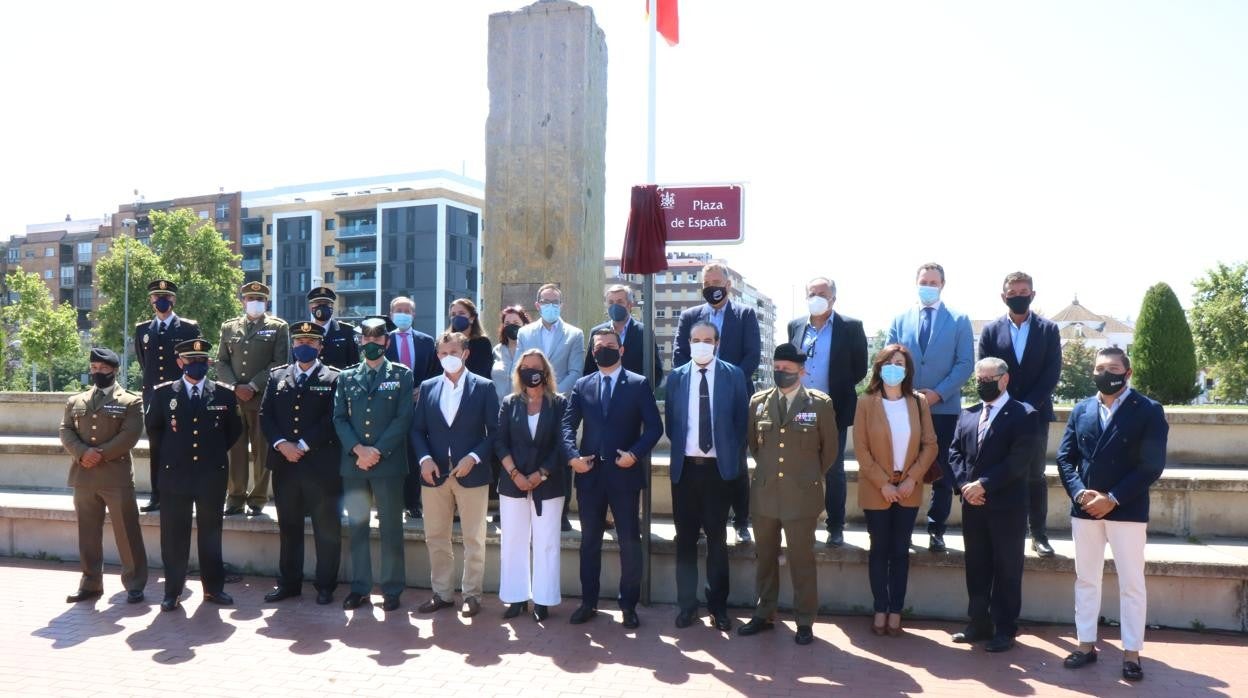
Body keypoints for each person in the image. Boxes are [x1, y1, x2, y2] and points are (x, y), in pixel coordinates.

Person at [1057, 347, 1168, 682]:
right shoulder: (1082, 409)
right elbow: (1065, 458)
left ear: (1128, 372)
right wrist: (1080, 492)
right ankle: (1085, 644)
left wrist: (1114, 498)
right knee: (1086, 578)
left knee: (1132, 582)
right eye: (1099, 368)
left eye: (1114, 368)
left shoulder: (1148, 410)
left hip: (1127, 509)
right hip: (1085, 508)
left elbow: (1151, 465)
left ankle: (1132, 653)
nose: (1106, 373)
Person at [561, 328, 662, 629]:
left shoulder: (638, 384)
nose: (603, 349)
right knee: (589, 542)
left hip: (624, 474)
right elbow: (567, 426)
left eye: (609, 345)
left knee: (629, 542)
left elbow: (654, 428)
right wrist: (572, 457)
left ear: (621, 349)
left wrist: (635, 453)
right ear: (592, 352)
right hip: (590, 475)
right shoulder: (582, 385)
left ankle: (628, 605)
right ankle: (588, 602)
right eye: (598, 346)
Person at [738, 343, 838, 646]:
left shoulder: (819, 404)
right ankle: (764, 612)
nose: (781, 374)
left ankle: (805, 620)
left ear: (802, 371)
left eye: (788, 369)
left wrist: (804, 476)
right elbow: (755, 447)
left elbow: (829, 451)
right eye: (777, 368)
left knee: (801, 561)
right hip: (766, 495)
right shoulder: (758, 402)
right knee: (765, 559)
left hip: (802, 496)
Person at [145, 339, 242, 611]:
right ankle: (172, 592)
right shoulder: (165, 394)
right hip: (175, 475)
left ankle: (213, 589)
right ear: (180, 363)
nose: (197, 366)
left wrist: (213, 451)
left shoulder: (223, 394)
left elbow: (234, 430)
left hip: (211, 474)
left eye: (201, 361)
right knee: (174, 536)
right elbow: (154, 429)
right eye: (190, 361)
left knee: (211, 534)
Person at [948, 357, 1038, 652]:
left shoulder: (1024, 414)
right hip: (973, 505)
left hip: (1007, 505)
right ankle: (978, 623)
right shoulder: (968, 414)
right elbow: (954, 454)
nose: (983, 385)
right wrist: (964, 486)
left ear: (1004, 379)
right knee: (977, 566)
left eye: (989, 380)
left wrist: (983, 484)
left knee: (1007, 568)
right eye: (979, 380)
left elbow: (1018, 461)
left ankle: (1004, 628)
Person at [664, 322, 748, 632]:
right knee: (685, 541)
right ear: (688, 342)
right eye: (696, 340)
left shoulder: (733, 375)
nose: (702, 344)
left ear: (717, 343)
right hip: (685, 469)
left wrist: (724, 453)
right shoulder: (676, 377)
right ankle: (687, 606)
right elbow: (673, 423)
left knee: (717, 541)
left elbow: (741, 423)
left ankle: (718, 607)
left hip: (718, 471)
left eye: (708, 340)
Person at [410, 331, 499, 618]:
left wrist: (474, 457)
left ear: (465, 353)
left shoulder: (483, 387)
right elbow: (417, 429)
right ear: (438, 356)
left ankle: (472, 595)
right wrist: (424, 459)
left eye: (453, 351)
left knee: (474, 538)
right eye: (443, 353)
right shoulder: (428, 386)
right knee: (436, 536)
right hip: (434, 474)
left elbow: (495, 433)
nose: (448, 357)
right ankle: (443, 593)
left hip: (471, 474)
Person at [887, 263, 974, 552]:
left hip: (944, 408)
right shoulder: (900, 319)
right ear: (916, 282)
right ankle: (903, 528)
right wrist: (905, 391)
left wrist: (938, 393)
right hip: (905, 406)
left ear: (943, 285)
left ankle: (937, 528)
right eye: (924, 281)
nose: (928, 285)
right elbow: (889, 358)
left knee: (943, 472)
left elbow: (965, 364)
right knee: (904, 466)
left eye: (933, 282)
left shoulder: (959, 320)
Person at [673, 262, 761, 543]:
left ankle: (741, 520)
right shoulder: (690, 316)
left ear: (728, 285)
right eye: (706, 283)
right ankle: (697, 521)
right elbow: (678, 354)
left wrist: (727, 383)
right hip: (696, 394)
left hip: (733, 399)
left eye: (717, 281)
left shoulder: (745, 314)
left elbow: (752, 356)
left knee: (735, 460)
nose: (712, 287)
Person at [854, 344, 937, 636]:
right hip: (877, 488)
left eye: (899, 362)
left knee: (900, 551)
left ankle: (896, 609)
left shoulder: (918, 402)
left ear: (907, 369)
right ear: (879, 366)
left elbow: (930, 444)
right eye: (889, 361)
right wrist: (883, 483)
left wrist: (912, 478)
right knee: (880, 550)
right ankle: (880, 607)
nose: (894, 367)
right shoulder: (866, 402)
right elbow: (861, 449)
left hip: (908, 488)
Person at [259, 322, 343, 606]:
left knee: (326, 527)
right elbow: (265, 415)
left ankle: (325, 585)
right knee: (289, 527)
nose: (303, 345)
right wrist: (282, 444)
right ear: (293, 345)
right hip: (285, 464)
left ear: (320, 346)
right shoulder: (277, 375)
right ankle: (289, 583)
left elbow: (333, 418)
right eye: (299, 341)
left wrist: (303, 445)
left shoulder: (333, 377)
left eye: (311, 341)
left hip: (320, 465)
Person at [977, 271, 1061, 558]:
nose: (1018, 297)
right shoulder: (990, 331)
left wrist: (1025, 408)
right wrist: (1007, 406)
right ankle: (1000, 530)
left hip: (1035, 415)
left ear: (1033, 294)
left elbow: (1052, 373)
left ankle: (1038, 534)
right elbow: (985, 371)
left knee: (1035, 475)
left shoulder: (1049, 330)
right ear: (1004, 297)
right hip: (999, 415)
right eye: (1012, 293)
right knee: (999, 472)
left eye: (1024, 291)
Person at [333, 316, 414, 611]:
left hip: (388, 465)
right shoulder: (346, 376)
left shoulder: (402, 375)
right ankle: (360, 588)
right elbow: (339, 418)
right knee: (358, 527)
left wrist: (376, 451)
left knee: (391, 528)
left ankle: (392, 589)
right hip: (354, 466)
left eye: (376, 341)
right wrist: (358, 450)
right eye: (365, 340)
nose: (370, 345)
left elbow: (403, 418)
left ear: (386, 343)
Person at [59, 347, 147, 604]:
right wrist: (82, 452)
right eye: (94, 368)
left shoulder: (131, 400)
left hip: (115, 477)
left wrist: (100, 454)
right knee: (87, 534)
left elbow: (130, 435)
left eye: (104, 369)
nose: (98, 373)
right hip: (83, 475)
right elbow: (65, 430)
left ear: (115, 370)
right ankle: (90, 583)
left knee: (127, 532)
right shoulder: (76, 400)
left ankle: (134, 583)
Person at [786, 277, 867, 548]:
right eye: (812, 292)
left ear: (833, 298)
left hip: (834, 410)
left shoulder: (851, 327)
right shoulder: (796, 326)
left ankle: (835, 526)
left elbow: (860, 369)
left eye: (822, 293)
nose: (816, 297)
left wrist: (836, 387)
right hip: (801, 409)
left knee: (833, 469)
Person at [494, 349, 567, 622]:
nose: (530, 372)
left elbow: (562, 443)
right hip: (513, 483)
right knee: (513, 540)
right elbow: (499, 442)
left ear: (545, 372)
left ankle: (544, 600)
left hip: (548, 484)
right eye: (525, 367)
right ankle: (515, 598)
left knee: (547, 542)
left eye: (535, 367)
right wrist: (515, 473)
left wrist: (541, 474)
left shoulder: (559, 403)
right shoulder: (509, 402)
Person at [517, 283, 586, 532]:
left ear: (562, 305)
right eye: (546, 302)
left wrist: (552, 395)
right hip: (530, 403)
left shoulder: (574, 334)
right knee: (533, 450)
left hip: (560, 404)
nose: (551, 306)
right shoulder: (525, 333)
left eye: (555, 302)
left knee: (562, 453)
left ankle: (563, 511)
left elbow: (576, 371)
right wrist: (533, 394)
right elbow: (520, 367)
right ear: (537, 305)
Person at [218, 281, 290, 517]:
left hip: (262, 399)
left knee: (262, 451)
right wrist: (235, 386)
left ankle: (258, 498)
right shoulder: (229, 327)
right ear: (243, 301)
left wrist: (253, 385)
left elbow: (280, 362)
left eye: (259, 300)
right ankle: (235, 497)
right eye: (250, 299)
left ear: (266, 302)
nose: (254, 303)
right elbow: (222, 361)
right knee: (235, 451)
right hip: (236, 401)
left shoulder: (278, 327)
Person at [134, 278, 202, 512]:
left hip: (181, 396)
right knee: (157, 447)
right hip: (154, 398)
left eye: (166, 297)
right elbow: (145, 363)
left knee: (184, 445)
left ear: (173, 299)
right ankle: (157, 495)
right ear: (151, 300)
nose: (162, 301)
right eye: (156, 297)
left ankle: (185, 494)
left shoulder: (188, 328)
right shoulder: (142, 329)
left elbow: (197, 359)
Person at [385, 295, 439, 519]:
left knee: (415, 454)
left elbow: (436, 371)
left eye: (408, 311)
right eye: (399, 310)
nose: (403, 314)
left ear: (414, 315)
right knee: (392, 455)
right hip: (390, 407)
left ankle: (413, 502)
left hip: (419, 406)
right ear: (391, 314)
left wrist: (422, 390)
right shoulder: (384, 340)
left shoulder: (427, 341)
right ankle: (390, 503)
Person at [582, 284, 664, 386]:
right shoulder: (597, 332)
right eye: (611, 302)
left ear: (630, 305)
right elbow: (589, 370)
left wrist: (642, 393)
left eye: (620, 302)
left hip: (635, 396)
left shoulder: (644, 333)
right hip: (604, 395)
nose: (615, 306)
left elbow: (656, 372)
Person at [306, 286, 359, 370]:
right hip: (312, 382)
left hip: (339, 381)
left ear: (332, 306)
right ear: (310, 306)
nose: (322, 307)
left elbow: (354, 363)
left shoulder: (347, 331)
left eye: (326, 304)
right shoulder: (304, 332)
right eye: (318, 303)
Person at [491, 306, 531, 402]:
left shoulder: (531, 350)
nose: (511, 326)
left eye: (516, 323)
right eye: (507, 323)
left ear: (524, 325)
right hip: (499, 409)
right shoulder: (497, 350)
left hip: (525, 408)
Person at [447, 298, 494, 379]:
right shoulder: (445, 343)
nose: (457, 317)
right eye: (453, 314)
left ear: (472, 318)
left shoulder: (482, 343)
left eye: (461, 313)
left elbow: (481, 372)